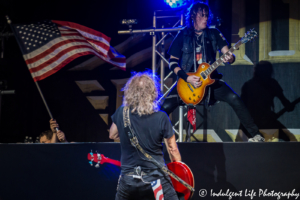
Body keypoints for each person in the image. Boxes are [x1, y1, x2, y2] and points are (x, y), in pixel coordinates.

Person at [163, 2, 264, 142]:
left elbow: (228, 55)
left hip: (209, 81)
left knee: (234, 99)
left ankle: (255, 135)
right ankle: (150, 140)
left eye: (207, 15)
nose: (206, 18)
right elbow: (172, 62)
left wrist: (230, 58)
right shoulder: (183, 35)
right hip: (186, 83)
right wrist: (186, 78)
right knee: (164, 107)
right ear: (193, 16)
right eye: (202, 15)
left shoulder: (214, 33)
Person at [109, 72, 181, 200]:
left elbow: (112, 134)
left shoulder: (122, 112)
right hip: (155, 178)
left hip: (128, 179)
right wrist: (179, 172)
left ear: (130, 91)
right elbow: (173, 149)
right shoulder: (161, 117)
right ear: (152, 92)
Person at [239, 61, 296, 141]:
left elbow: (286, 103)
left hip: (263, 122)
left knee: (290, 138)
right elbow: (242, 109)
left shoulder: (271, 84)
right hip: (255, 123)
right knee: (290, 138)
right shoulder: (249, 85)